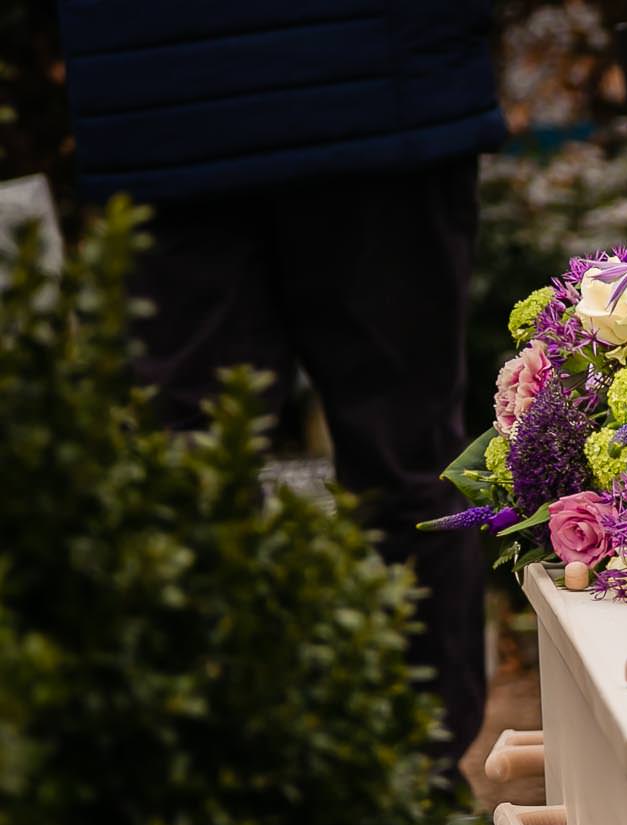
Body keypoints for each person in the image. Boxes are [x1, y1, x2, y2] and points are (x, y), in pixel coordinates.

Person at [55, 2, 505, 779]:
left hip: (163, 92)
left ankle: (221, 796)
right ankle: (415, 784)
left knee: (196, 467)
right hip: (375, 81)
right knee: (407, 453)